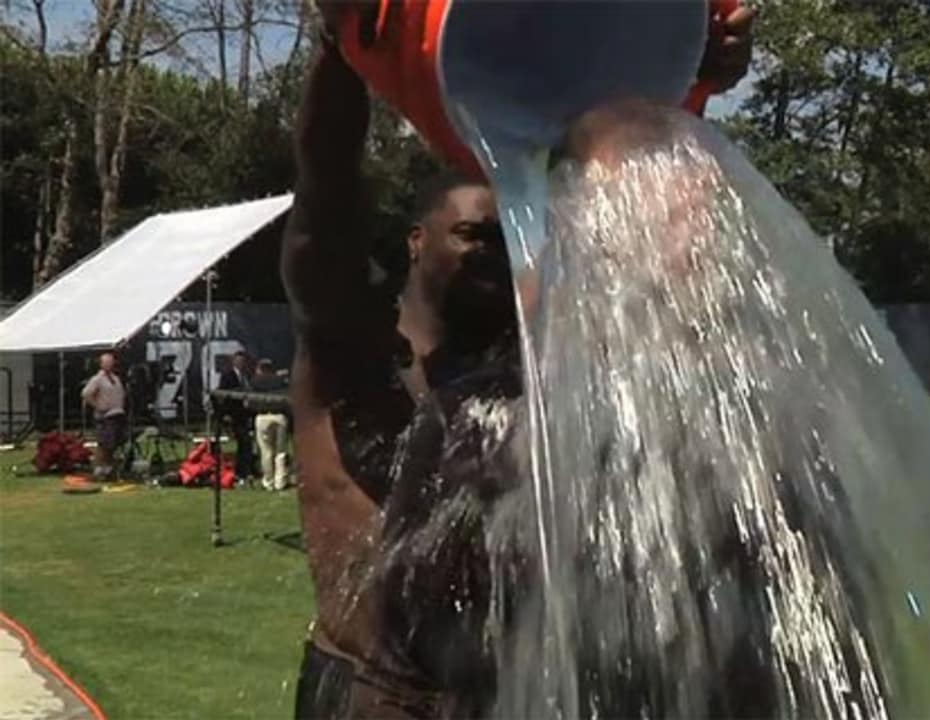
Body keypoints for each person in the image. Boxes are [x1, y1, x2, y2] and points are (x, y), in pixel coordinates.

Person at [284, 6, 754, 719]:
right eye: (473, 233)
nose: (492, 251)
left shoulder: (525, 366)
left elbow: (648, 256)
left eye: (506, 237)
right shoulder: (356, 359)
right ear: (417, 240)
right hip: (372, 692)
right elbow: (323, 208)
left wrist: (691, 83)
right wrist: (342, 46)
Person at [81, 351, 127, 479]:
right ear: (101, 364)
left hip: (118, 414)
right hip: (105, 416)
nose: (109, 364)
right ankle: (99, 469)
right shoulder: (97, 379)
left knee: (114, 444)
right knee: (104, 444)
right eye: (106, 362)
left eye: (111, 362)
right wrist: (98, 405)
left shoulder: (116, 378)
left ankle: (109, 468)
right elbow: (86, 393)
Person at [251, 358, 292, 491]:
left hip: (263, 416)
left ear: (260, 369)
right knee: (280, 451)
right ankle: (280, 482)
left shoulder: (255, 381)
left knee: (266, 451)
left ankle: (268, 481)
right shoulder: (280, 380)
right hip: (279, 415)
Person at [217, 350, 257, 483]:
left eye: (243, 361)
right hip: (234, 415)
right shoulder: (228, 375)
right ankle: (242, 471)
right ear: (234, 361)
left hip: (244, 414)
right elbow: (223, 395)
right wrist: (226, 414)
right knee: (244, 441)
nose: (241, 363)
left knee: (245, 444)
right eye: (238, 361)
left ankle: (245, 469)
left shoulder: (246, 376)